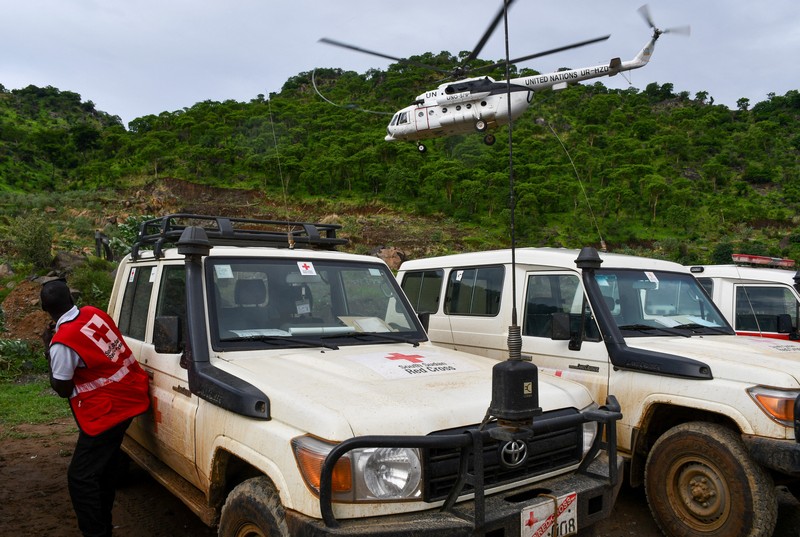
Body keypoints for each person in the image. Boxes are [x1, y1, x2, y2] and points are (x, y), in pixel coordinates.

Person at [40, 278, 150, 537]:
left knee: (80, 478)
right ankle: (104, 526)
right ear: (72, 298)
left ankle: (96, 532)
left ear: (44, 309)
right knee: (105, 469)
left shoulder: (62, 342)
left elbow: (63, 387)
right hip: (131, 395)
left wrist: (48, 347)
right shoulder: (93, 313)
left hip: (107, 412)